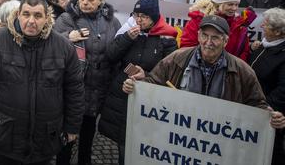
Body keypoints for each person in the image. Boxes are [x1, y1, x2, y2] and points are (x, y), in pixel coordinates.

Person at [0, 0, 85, 164]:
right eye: (26, 14)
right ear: (18, 15)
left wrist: (72, 126)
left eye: (37, 15)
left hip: (44, 136)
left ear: (47, 17)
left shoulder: (64, 47)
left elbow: (74, 89)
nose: (31, 21)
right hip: (4, 132)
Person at [122, 15, 285, 130]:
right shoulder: (177, 59)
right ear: (198, 36)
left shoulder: (242, 71)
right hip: (178, 135)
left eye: (215, 38)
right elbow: (153, 83)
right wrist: (135, 86)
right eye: (205, 35)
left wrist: (271, 116)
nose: (208, 42)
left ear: (226, 41)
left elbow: (256, 104)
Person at [98, 0, 178, 164]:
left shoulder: (167, 39)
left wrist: (147, 75)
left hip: (149, 97)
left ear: (155, 18)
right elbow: (110, 56)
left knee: (144, 142)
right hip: (123, 95)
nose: (139, 20)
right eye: (136, 15)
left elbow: (171, 74)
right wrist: (127, 38)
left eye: (144, 16)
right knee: (123, 141)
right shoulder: (130, 31)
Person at [54, 0, 121, 165]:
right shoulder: (67, 18)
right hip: (74, 84)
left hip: (98, 85)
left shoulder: (112, 21)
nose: (85, 2)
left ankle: (85, 160)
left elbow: (117, 49)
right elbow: (51, 41)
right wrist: (68, 37)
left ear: (100, 1)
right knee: (68, 132)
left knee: (89, 130)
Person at [180, 0, 256, 61]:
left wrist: (235, 70)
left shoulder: (239, 24)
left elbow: (243, 51)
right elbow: (187, 48)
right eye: (230, 4)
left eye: (236, 5)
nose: (234, 8)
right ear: (218, 4)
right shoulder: (198, 20)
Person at [250, 8, 285, 164]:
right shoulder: (263, 45)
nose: (262, 25)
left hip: (268, 116)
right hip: (250, 108)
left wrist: (262, 108)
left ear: (278, 32)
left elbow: (282, 90)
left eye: (267, 24)